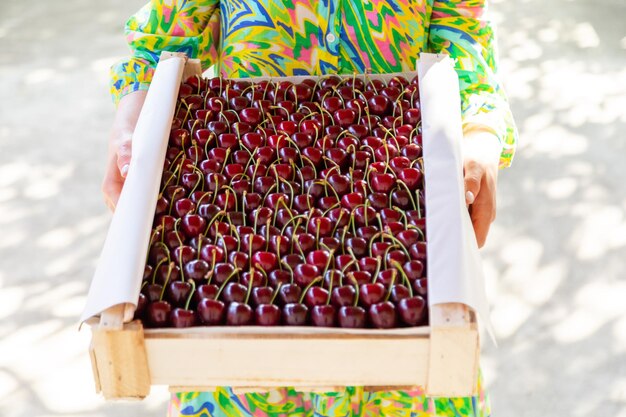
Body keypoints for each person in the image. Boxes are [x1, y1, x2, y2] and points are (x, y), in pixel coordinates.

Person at [103, 1, 517, 415]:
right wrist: (131, 124)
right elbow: (163, 44)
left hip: (399, 230)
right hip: (237, 234)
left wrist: (481, 136)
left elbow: (462, 43)